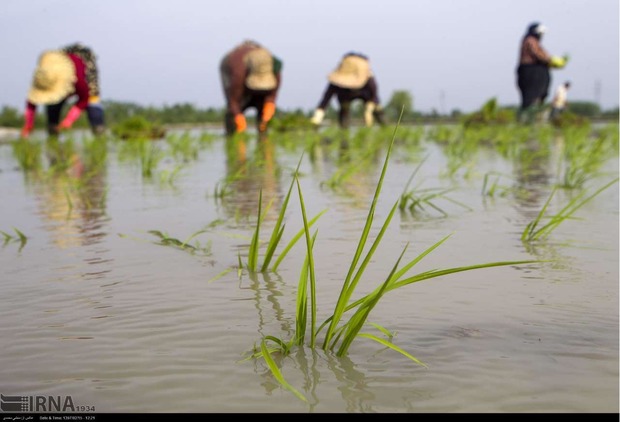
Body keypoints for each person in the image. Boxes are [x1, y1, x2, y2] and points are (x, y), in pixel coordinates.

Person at [21, 45, 106, 139]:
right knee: (52, 107)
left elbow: (84, 99)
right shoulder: (42, 77)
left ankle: (99, 135)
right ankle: (52, 137)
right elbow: (32, 101)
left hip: (83, 75)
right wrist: (28, 124)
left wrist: (68, 121)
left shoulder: (80, 81)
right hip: (61, 72)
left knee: (93, 104)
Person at [219, 40, 283, 136]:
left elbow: (272, 93)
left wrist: (270, 104)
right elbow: (233, 101)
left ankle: (263, 137)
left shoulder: (274, 67)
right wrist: (238, 118)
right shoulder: (238, 72)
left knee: (264, 117)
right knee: (233, 116)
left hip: (258, 87)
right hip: (235, 80)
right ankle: (232, 135)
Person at [310, 52, 385, 129]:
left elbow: (374, 94)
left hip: (367, 96)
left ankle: (385, 127)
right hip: (345, 96)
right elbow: (325, 100)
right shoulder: (337, 82)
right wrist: (317, 117)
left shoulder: (369, 80)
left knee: (377, 109)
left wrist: (369, 109)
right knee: (344, 111)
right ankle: (344, 131)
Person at [516, 22, 568, 124]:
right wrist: (552, 60)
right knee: (532, 96)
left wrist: (553, 62)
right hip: (531, 71)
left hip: (537, 71)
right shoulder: (530, 41)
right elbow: (539, 55)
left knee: (540, 94)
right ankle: (527, 120)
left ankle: (532, 119)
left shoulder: (534, 42)